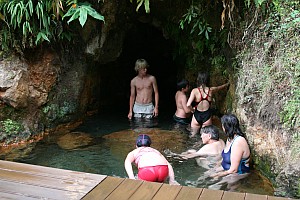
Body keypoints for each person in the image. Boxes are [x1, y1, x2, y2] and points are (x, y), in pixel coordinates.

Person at [209, 114, 250, 190]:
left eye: (223, 125)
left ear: (226, 127)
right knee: (207, 174)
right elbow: (225, 156)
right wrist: (216, 166)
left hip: (237, 173)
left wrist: (219, 175)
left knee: (214, 186)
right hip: (227, 168)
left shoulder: (238, 142)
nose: (222, 127)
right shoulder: (229, 138)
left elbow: (234, 169)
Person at [187, 72, 229, 136]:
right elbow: (219, 87)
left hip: (197, 115)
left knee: (192, 136)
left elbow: (188, 104)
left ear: (198, 79)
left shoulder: (194, 91)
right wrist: (227, 84)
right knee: (206, 136)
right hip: (207, 115)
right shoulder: (211, 90)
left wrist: (192, 110)